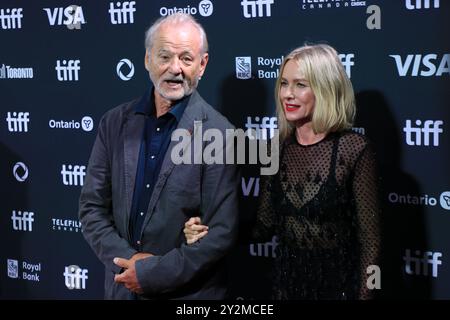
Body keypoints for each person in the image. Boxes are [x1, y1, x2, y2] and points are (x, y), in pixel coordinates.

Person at [184, 44, 381, 300]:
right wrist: (212, 230)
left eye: (300, 85)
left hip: (340, 289)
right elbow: (264, 225)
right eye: (284, 84)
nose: (287, 94)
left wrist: (365, 297)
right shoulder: (277, 147)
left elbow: (371, 243)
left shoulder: (354, 149)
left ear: (326, 88)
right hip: (286, 289)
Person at [79, 13, 239, 299]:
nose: (174, 69)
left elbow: (219, 233)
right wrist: (131, 264)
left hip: (187, 295)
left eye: (186, 59)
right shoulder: (113, 122)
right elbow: (92, 209)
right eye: (164, 56)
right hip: (122, 288)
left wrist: (152, 273)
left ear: (202, 65)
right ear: (147, 59)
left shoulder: (221, 133)